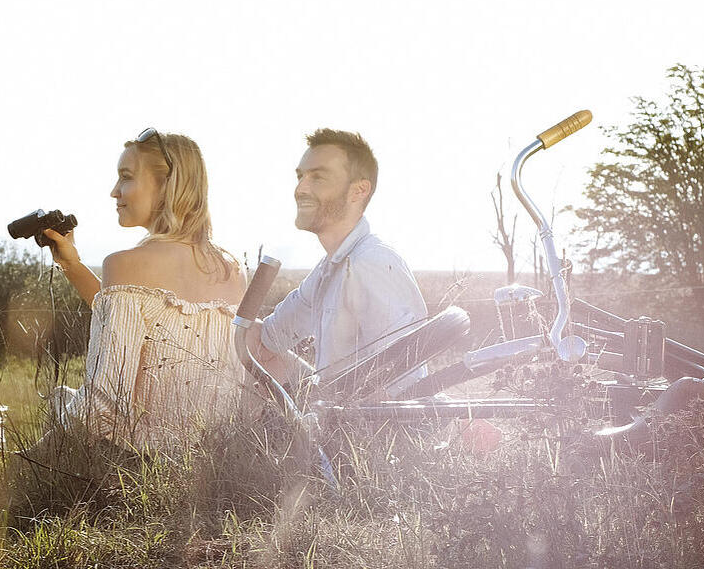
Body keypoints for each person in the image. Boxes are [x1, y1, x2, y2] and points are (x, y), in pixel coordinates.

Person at [36, 128, 249, 451]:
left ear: (166, 186)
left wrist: (21, 461)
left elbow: (101, 403)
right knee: (61, 399)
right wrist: (73, 266)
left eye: (126, 177)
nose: (114, 192)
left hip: (135, 465)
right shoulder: (232, 270)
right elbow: (155, 327)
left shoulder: (125, 263)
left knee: (58, 403)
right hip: (210, 463)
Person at [244, 128, 427, 393]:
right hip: (331, 415)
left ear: (358, 191)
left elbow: (405, 379)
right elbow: (267, 340)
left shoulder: (371, 262)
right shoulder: (328, 269)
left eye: (318, 177)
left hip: (365, 427)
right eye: (300, 177)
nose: (300, 189)